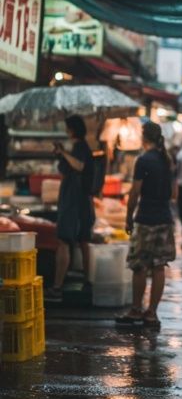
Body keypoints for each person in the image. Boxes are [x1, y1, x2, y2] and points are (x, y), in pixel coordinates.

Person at [116, 121, 175, 329]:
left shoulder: (143, 160)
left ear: (144, 137)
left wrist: (128, 217)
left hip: (146, 218)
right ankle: (152, 314)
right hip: (165, 218)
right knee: (159, 266)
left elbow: (134, 192)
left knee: (139, 265)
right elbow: (174, 193)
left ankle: (136, 310)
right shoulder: (167, 159)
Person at [45, 115, 95, 302]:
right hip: (78, 199)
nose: (66, 131)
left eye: (67, 128)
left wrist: (64, 153)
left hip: (74, 201)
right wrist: (62, 152)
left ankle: (57, 287)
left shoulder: (80, 147)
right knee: (83, 241)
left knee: (64, 241)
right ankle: (87, 281)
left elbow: (79, 166)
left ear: (72, 130)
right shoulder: (78, 148)